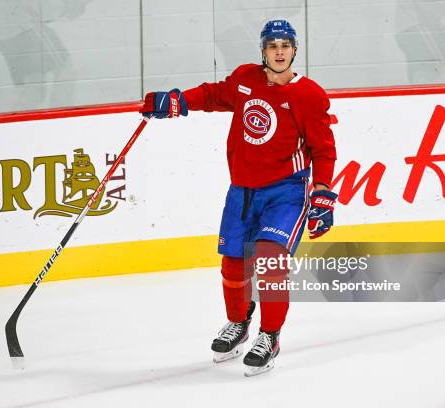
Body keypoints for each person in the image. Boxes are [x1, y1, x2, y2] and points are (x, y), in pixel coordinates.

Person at [140, 19, 338, 376]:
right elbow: (215, 95)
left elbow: (323, 149)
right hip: (241, 192)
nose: (279, 52)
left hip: (285, 192)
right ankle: (238, 324)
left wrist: (322, 193)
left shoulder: (308, 95)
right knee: (233, 265)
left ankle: (270, 336)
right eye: (272, 46)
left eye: (286, 46)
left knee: (269, 260)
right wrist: (178, 100)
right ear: (263, 51)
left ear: (294, 50)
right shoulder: (246, 78)